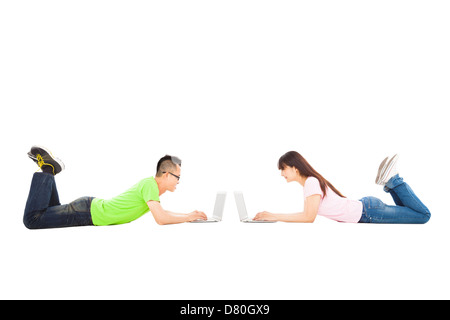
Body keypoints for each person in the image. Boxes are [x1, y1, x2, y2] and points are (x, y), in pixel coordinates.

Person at [23, 146, 207, 229]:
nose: (178, 181)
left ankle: (50, 171)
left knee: (45, 212)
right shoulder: (150, 184)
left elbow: (163, 212)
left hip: (87, 209)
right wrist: (188, 217)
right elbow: (161, 218)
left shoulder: (150, 187)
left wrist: (188, 216)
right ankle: (48, 169)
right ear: (166, 174)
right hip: (87, 213)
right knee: (32, 220)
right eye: (177, 177)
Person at [253, 151, 431, 224]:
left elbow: (308, 217)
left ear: (294, 167)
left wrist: (273, 215)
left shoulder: (311, 183)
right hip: (366, 208)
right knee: (408, 212)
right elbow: (307, 215)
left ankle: (394, 180)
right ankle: (390, 183)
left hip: (368, 212)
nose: (282, 174)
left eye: (283, 169)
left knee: (423, 216)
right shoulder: (310, 183)